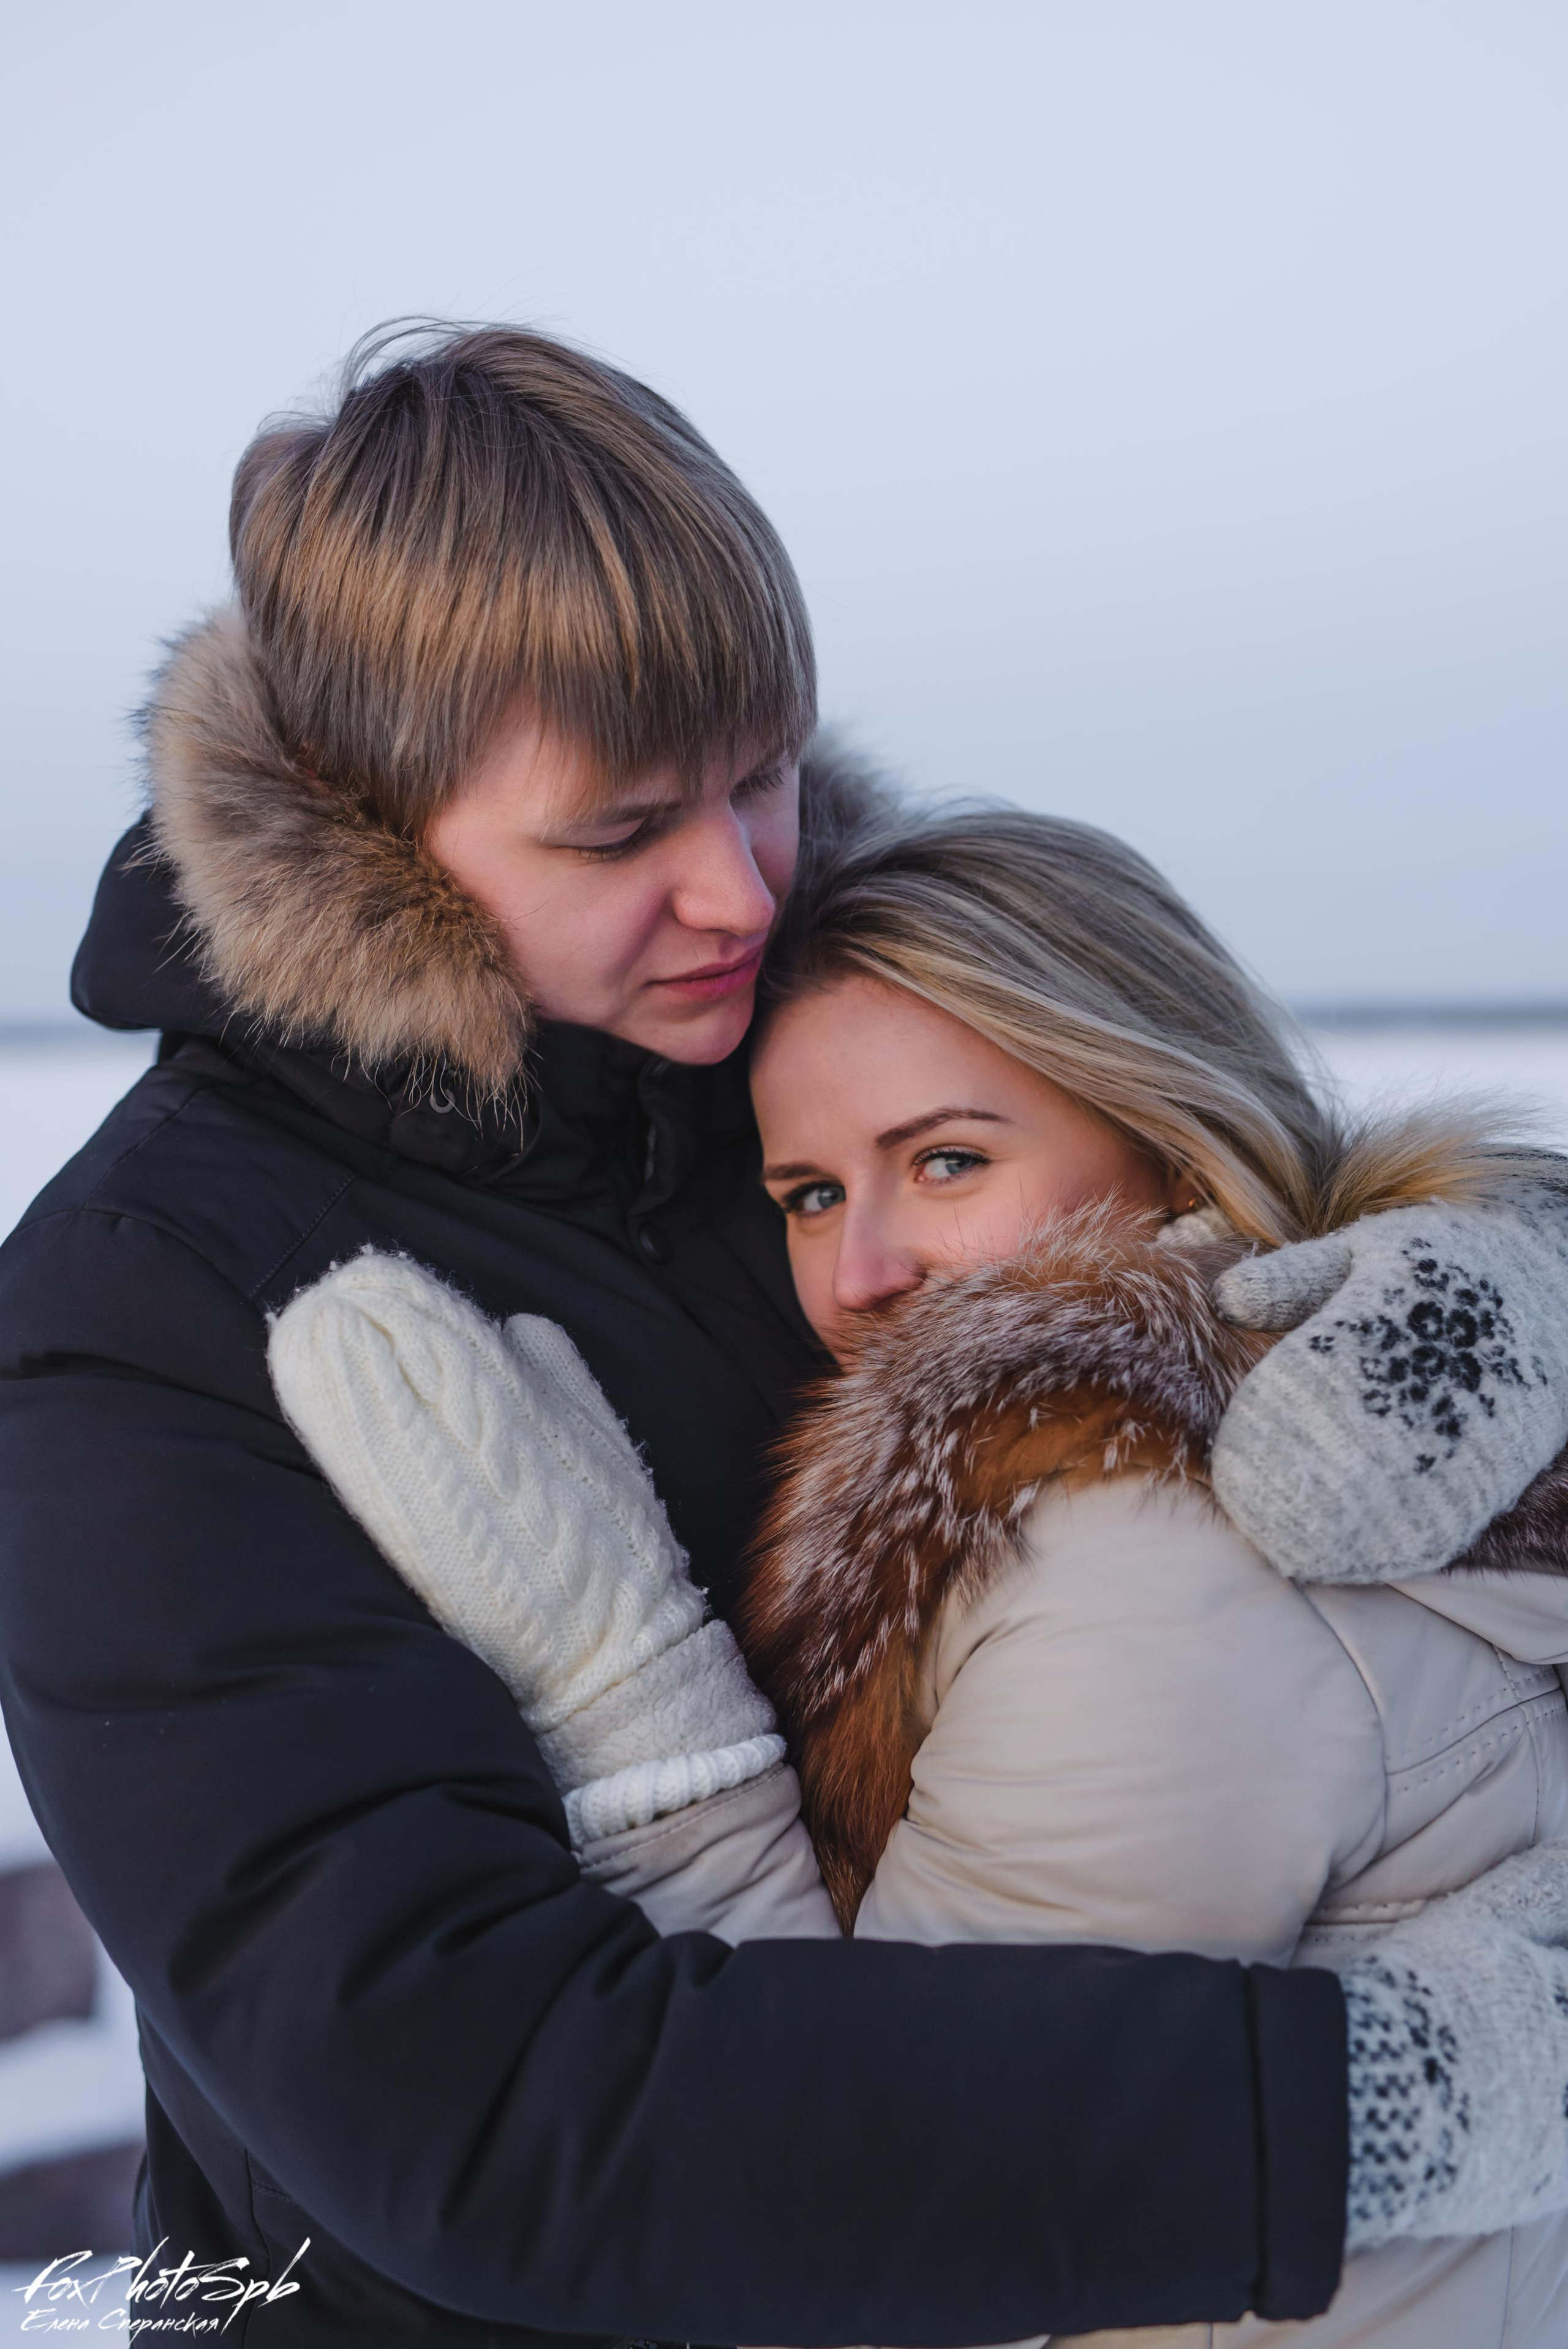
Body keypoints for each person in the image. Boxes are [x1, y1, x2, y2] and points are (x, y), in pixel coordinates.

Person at [4, 322, 1568, 2347]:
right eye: (621, 831)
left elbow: (1231, 1155)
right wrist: (1384, 2101)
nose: (736, 888)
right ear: (363, 824)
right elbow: (485, 2116)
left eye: (762, 778)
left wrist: (1491, 1287)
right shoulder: (147, 1307)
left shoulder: (789, 1065)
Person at [271, 807, 1568, 2348]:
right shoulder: (1348, 1419)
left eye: (945, 1161)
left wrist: (639, 1715)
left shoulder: (1146, 1570)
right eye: (808, 1195)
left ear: (1169, 1137)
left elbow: (882, 2201)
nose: (859, 1271)